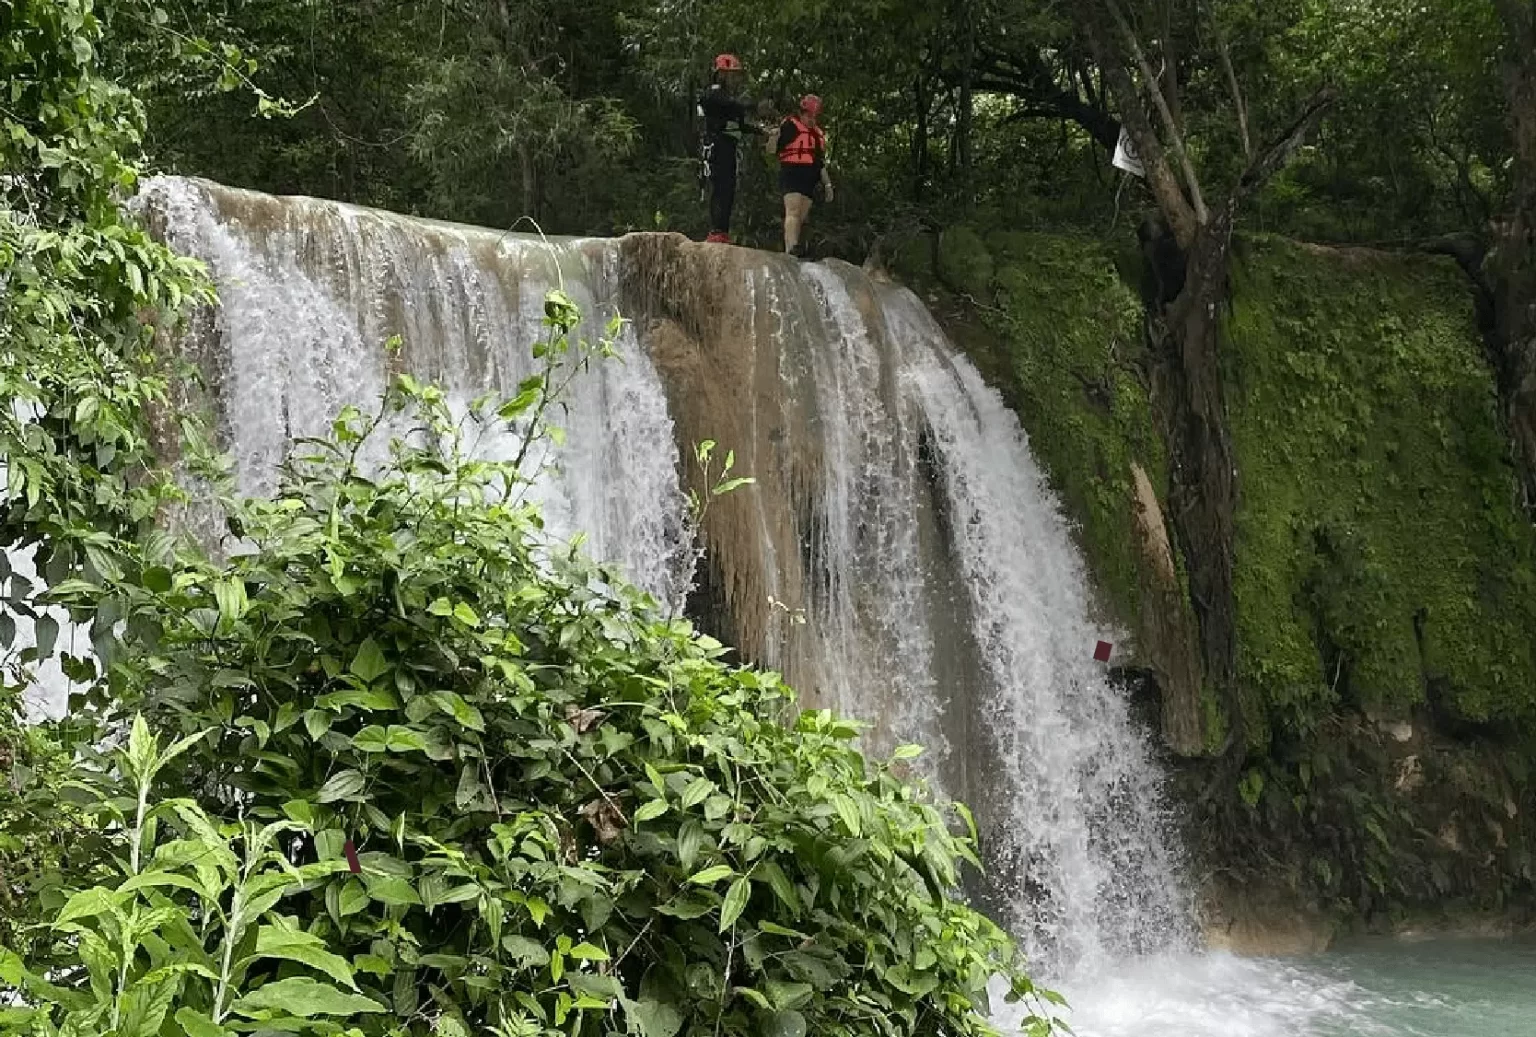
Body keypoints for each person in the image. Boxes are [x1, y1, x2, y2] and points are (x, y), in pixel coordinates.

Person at [697, 54, 759, 244]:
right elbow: (725, 104)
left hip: (729, 146)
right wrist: (752, 106)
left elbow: (738, 124)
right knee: (720, 187)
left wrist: (760, 131)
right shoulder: (714, 94)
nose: (734, 79)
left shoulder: (729, 99)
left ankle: (723, 230)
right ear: (721, 74)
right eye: (731, 75)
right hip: (717, 144)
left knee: (729, 188)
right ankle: (716, 229)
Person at [776, 94, 832, 256]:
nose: (811, 119)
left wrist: (828, 185)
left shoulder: (816, 134)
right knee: (793, 210)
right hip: (792, 171)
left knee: (801, 215)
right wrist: (772, 137)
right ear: (802, 112)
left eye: (814, 116)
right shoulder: (790, 126)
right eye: (808, 115)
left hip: (810, 177)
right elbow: (775, 148)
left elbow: (820, 162)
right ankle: (791, 248)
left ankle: (795, 246)